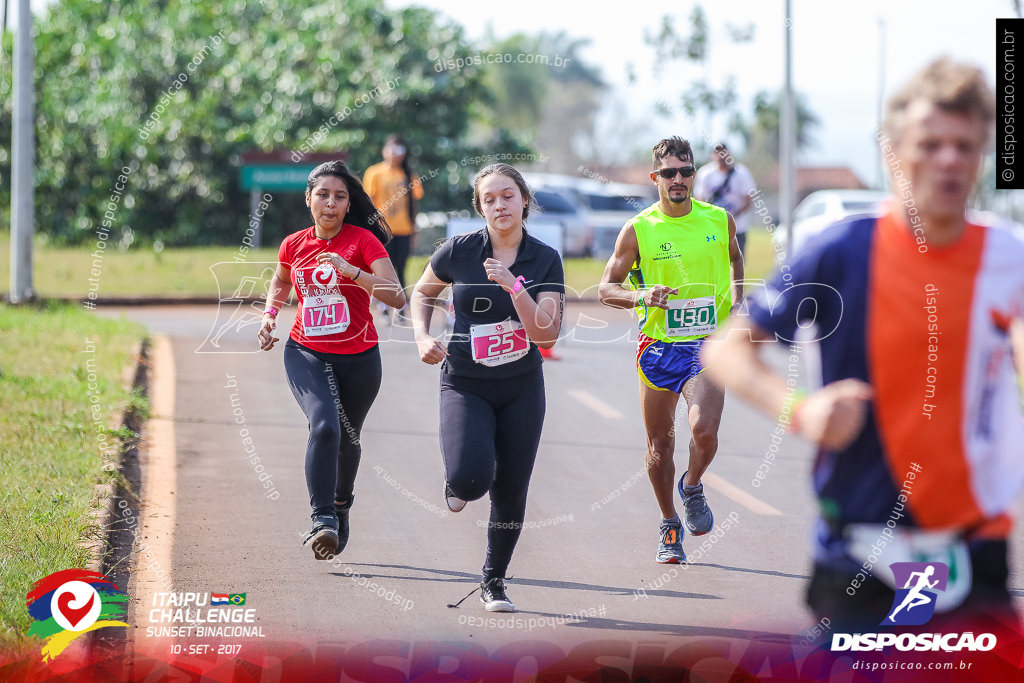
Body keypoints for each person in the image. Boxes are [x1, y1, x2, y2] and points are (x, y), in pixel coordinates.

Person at [701, 58, 1024, 632]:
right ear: (893, 155)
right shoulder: (842, 251)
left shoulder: (1010, 257)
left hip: (977, 549)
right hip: (861, 550)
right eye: (930, 144)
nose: (949, 160)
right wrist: (801, 410)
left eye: (965, 146)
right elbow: (726, 348)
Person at [410, 163, 564, 612]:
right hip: (465, 383)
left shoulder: (545, 258)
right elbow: (422, 293)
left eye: (508, 196)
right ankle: (458, 480)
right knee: (471, 480)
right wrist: (422, 336)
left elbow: (547, 336)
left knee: (512, 488)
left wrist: (514, 287)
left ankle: (493, 581)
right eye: (490, 199)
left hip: (521, 387)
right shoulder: (459, 251)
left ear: (524, 201)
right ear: (480, 208)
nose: (500, 205)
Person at [598, 137, 744, 564]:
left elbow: (735, 261)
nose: (678, 180)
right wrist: (643, 297)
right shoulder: (639, 229)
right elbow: (606, 289)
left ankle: (693, 485)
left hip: (708, 347)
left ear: (694, 174)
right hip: (660, 348)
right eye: (669, 173)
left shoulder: (720, 220)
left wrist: (737, 302)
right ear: (655, 178)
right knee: (660, 445)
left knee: (705, 432)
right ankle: (668, 524)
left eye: (685, 171)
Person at [257, 160, 406, 560]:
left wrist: (351, 271)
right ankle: (322, 520)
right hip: (306, 350)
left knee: (349, 439)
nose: (331, 203)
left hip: (359, 357)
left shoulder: (362, 241)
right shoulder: (293, 243)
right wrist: (270, 317)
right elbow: (281, 279)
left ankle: (341, 506)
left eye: (340, 196)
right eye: (322, 194)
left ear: (348, 203)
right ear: (309, 199)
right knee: (324, 427)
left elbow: (396, 295)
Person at [363, 134, 424, 314]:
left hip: (404, 229)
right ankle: (384, 304)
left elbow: (414, 204)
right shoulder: (374, 173)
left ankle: (401, 306)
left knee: (401, 266)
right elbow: (369, 202)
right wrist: (370, 227)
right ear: (384, 151)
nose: (396, 154)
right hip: (383, 230)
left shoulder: (409, 175)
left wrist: (414, 230)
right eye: (393, 149)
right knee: (384, 269)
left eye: (400, 150)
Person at [693, 142, 756, 256]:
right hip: (712, 228)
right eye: (717, 152)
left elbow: (748, 200)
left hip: (737, 228)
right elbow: (699, 199)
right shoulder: (705, 173)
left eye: (723, 152)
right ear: (711, 155)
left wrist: (731, 217)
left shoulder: (741, 173)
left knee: (736, 263)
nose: (720, 156)